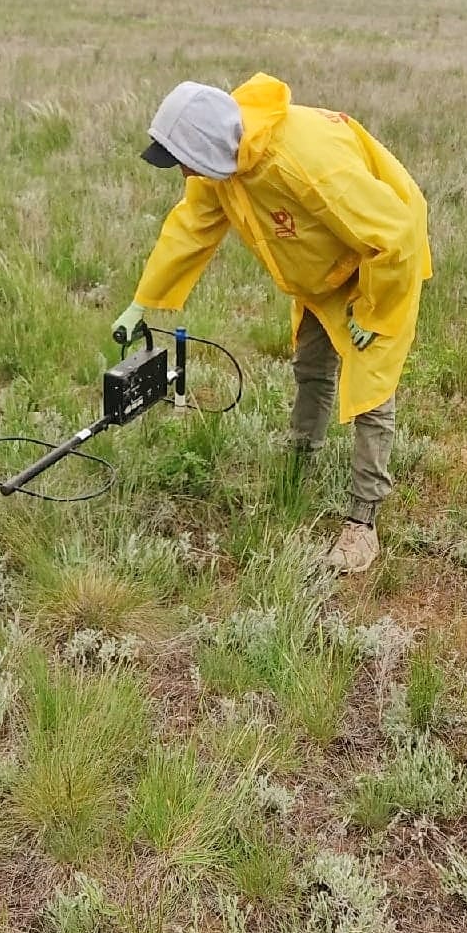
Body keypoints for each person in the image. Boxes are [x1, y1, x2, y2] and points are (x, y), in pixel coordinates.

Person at [113, 73, 431, 575]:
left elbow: (395, 232)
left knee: (370, 388)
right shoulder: (224, 166)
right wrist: (143, 301)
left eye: (183, 161)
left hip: (379, 263)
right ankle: (300, 456)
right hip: (321, 272)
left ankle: (362, 522)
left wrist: (375, 308)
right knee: (312, 366)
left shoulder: (305, 163)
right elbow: (190, 228)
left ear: (207, 146)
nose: (182, 173)